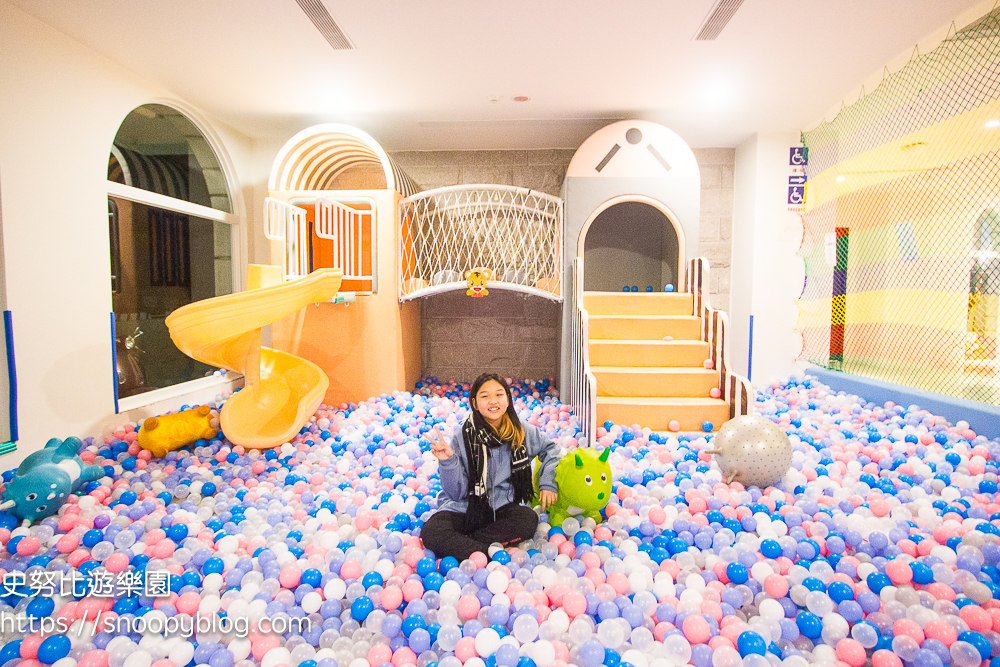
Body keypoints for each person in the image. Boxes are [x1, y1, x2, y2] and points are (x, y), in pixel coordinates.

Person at [419, 373, 561, 562]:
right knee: (432, 531)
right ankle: (488, 552)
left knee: (527, 520)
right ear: (475, 403)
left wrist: (548, 484)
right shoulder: (463, 436)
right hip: (466, 507)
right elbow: (456, 494)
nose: (493, 401)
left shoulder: (521, 431)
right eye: (485, 396)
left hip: (503, 506)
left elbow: (551, 450)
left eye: (499, 395)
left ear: (508, 400)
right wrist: (448, 461)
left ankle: (468, 546)